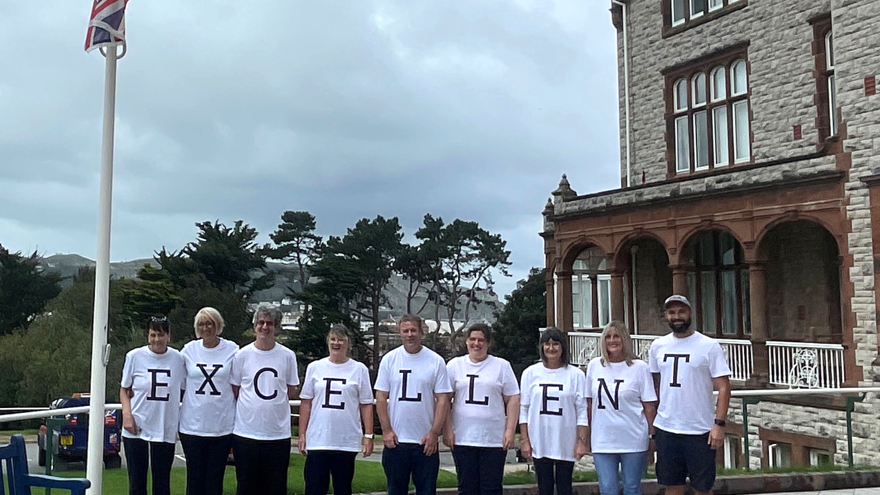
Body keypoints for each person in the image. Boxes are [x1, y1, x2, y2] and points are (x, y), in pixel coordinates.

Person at [649, 295, 731, 495]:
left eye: (681, 311)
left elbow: (724, 387)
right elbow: (655, 386)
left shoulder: (708, 346)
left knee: (703, 487)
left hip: (699, 429)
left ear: (690, 313)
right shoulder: (657, 346)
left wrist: (719, 424)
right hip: (667, 427)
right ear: (666, 316)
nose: (677, 316)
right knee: (672, 485)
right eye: (672, 312)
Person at [375, 314, 452, 495]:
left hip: (425, 443)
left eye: (413, 330)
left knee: (426, 491)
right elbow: (380, 397)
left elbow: (443, 400)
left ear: (422, 332)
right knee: (395, 490)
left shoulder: (435, 361)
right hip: (396, 442)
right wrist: (386, 430)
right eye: (406, 331)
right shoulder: (390, 359)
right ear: (400, 332)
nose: (410, 334)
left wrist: (434, 433)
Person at [443, 323, 520, 495]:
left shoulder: (501, 366)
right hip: (463, 438)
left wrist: (510, 430)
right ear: (466, 341)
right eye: (472, 339)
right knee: (466, 487)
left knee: (491, 488)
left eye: (481, 340)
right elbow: (444, 400)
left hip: (493, 439)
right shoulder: (455, 365)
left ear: (488, 343)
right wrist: (447, 429)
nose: (476, 344)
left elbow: (513, 397)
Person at [230, 305, 300, 495]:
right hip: (246, 434)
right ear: (255, 326)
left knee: (275, 487)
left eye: (269, 323)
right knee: (246, 486)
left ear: (276, 327)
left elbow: (291, 389)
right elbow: (235, 389)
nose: (265, 327)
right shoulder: (241, 355)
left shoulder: (287, 356)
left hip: (277, 435)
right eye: (261, 323)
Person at [297, 325, 375, 495]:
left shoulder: (359, 369)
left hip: (345, 441)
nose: (336, 343)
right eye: (333, 339)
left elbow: (366, 404)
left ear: (348, 343)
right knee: (314, 488)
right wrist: (302, 434)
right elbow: (306, 403)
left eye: (341, 339)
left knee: (343, 488)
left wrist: (368, 435)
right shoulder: (315, 367)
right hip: (318, 439)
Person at [586, 321, 657, 495]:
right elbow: (588, 403)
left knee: (632, 487)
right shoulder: (594, 366)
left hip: (633, 439)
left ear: (624, 339)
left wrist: (652, 436)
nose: (612, 340)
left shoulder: (639, 368)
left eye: (616, 336)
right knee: (607, 487)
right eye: (608, 337)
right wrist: (585, 435)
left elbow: (649, 406)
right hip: (603, 440)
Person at [120, 316, 185, 495]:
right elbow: (125, 389)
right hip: (137, 425)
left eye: (161, 335)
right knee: (137, 484)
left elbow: (187, 387)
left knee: (162, 484)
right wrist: (127, 414)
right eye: (153, 335)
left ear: (169, 336)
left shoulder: (178, 359)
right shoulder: (134, 356)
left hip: (164, 426)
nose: (157, 339)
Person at [519, 327, 588, 495]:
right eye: (547, 344)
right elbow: (524, 409)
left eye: (555, 344)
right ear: (542, 347)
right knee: (544, 487)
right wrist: (525, 440)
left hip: (565, 438)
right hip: (540, 438)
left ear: (562, 347)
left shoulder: (575, 375)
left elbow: (581, 410)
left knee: (565, 487)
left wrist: (581, 441)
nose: (551, 348)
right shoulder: (530, 373)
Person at [179, 307, 240, 495]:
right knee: (195, 480)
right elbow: (178, 381)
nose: (206, 328)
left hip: (221, 427)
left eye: (210, 323)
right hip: (192, 427)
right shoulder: (189, 350)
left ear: (218, 325)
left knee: (214, 481)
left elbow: (238, 385)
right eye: (202, 324)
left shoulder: (232, 350)